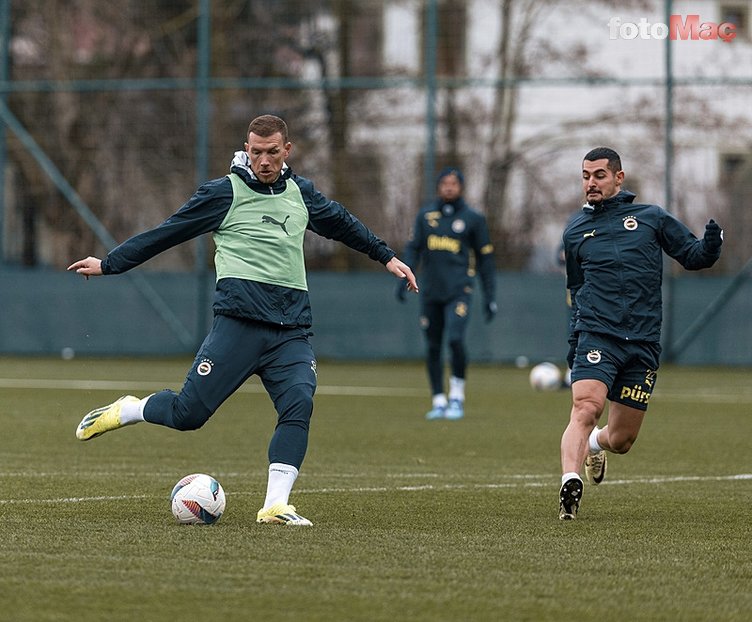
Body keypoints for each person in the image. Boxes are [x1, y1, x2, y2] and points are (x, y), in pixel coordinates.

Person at [68, 114, 418, 527]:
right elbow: (167, 233)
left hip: (291, 332)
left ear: (287, 151)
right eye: (256, 151)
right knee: (188, 415)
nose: (264, 160)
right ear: (246, 149)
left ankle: (275, 506)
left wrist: (387, 256)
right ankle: (130, 409)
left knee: (299, 404)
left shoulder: (301, 194)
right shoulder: (223, 193)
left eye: (272, 152)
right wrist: (109, 264)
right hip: (238, 326)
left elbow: (342, 223)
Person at [558, 146, 723, 520]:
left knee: (622, 440)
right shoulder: (575, 232)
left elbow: (693, 255)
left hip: (643, 341)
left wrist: (712, 246)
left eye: (599, 175)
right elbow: (576, 291)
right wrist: (575, 342)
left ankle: (596, 446)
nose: (591, 183)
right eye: (585, 176)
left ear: (619, 177)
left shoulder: (650, 218)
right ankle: (570, 479)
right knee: (585, 406)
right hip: (597, 333)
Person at [396, 167, 496, 420]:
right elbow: (413, 249)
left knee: (455, 339)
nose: (449, 187)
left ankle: (457, 397)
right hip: (430, 291)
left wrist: (490, 295)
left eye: (454, 183)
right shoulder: (425, 216)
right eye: (444, 183)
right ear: (439, 186)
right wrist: (402, 277)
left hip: (459, 290)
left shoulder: (473, 218)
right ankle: (438, 400)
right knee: (432, 346)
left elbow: (485, 260)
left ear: (461, 186)